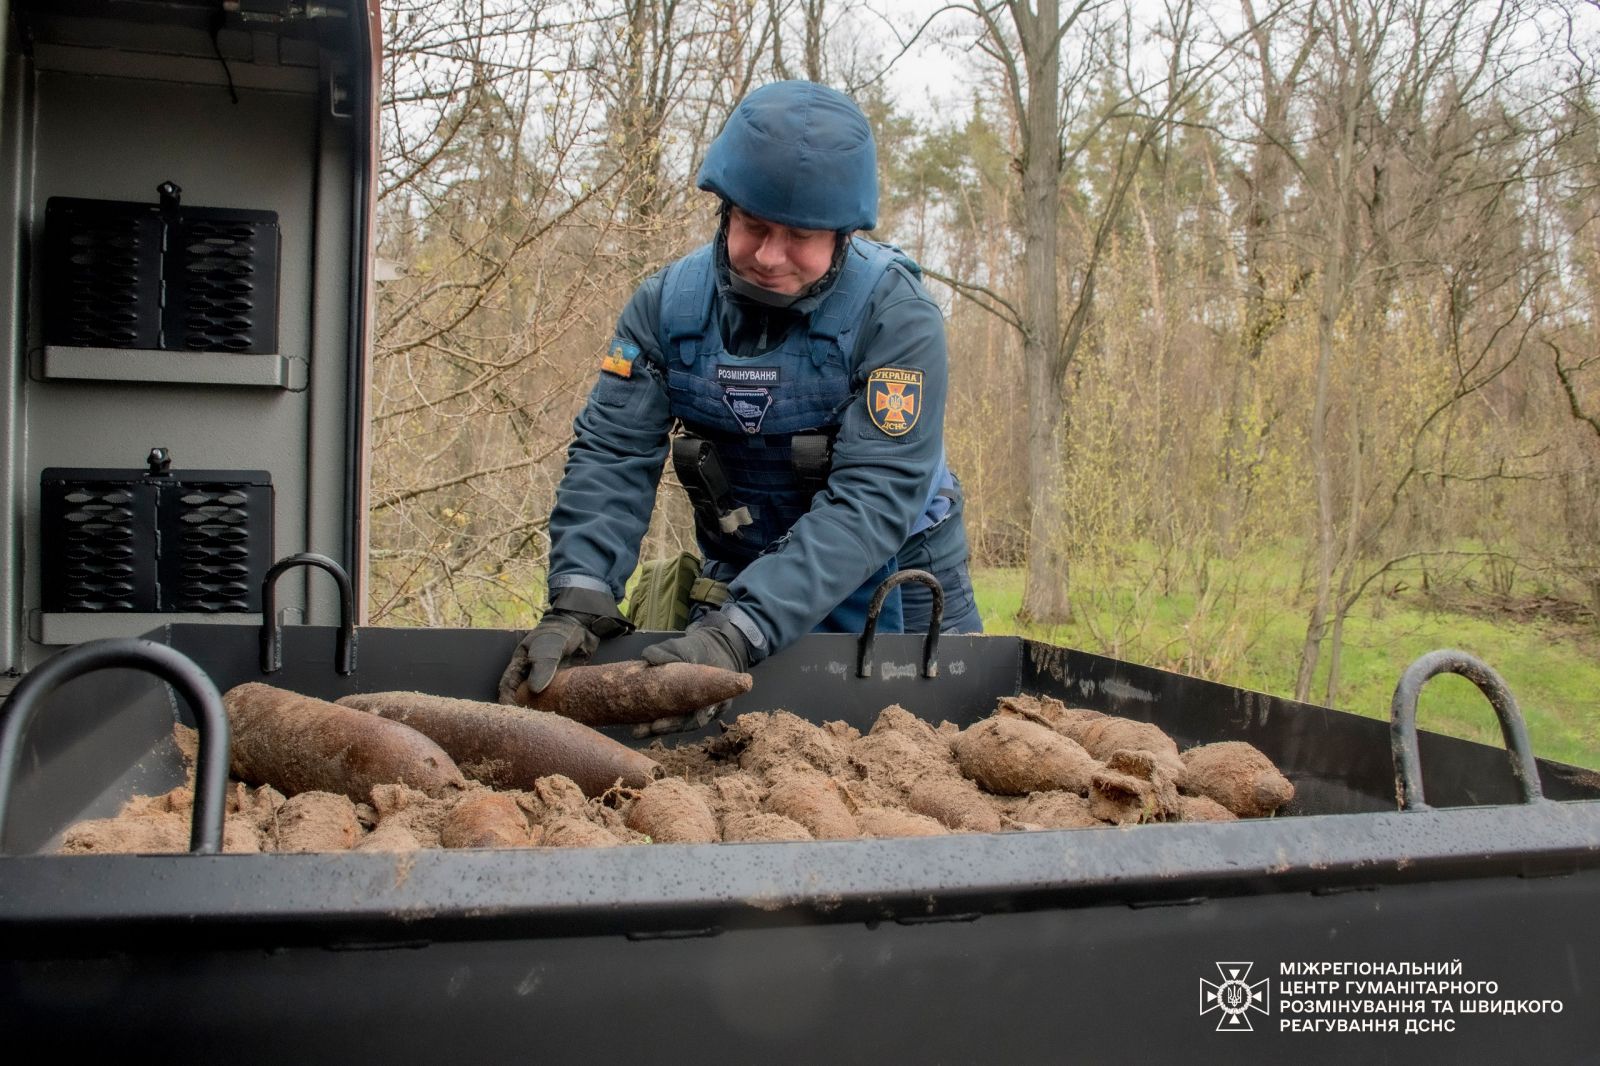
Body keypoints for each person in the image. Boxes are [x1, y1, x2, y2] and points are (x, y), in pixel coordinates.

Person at [498, 80, 981, 725]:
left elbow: (874, 496)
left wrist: (744, 630)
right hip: (747, 565)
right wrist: (580, 593)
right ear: (724, 210)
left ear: (842, 235)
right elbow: (613, 452)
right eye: (753, 226)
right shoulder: (667, 307)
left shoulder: (897, 317)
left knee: (928, 756)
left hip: (903, 571)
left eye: (801, 236)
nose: (769, 256)